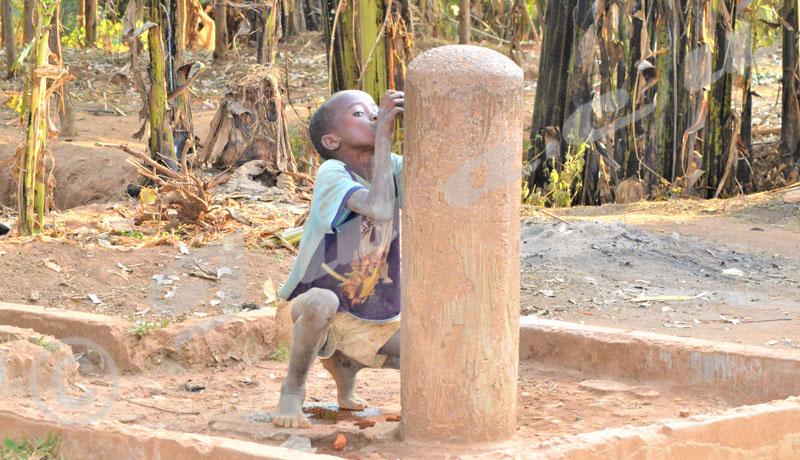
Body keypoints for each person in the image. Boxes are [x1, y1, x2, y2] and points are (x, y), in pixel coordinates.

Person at [272, 89, 404, 428]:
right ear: (332, 141)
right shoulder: (333, 172)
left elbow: (434, 173)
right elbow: (380, 207)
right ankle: (292, 392)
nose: (375, 116)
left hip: (366, 317)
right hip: (306, 308)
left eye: (376, 110)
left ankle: (346, 367)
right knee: (322, 301)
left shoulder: (392, 166)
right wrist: (386, 137)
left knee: (428, 350)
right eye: (360, 114)